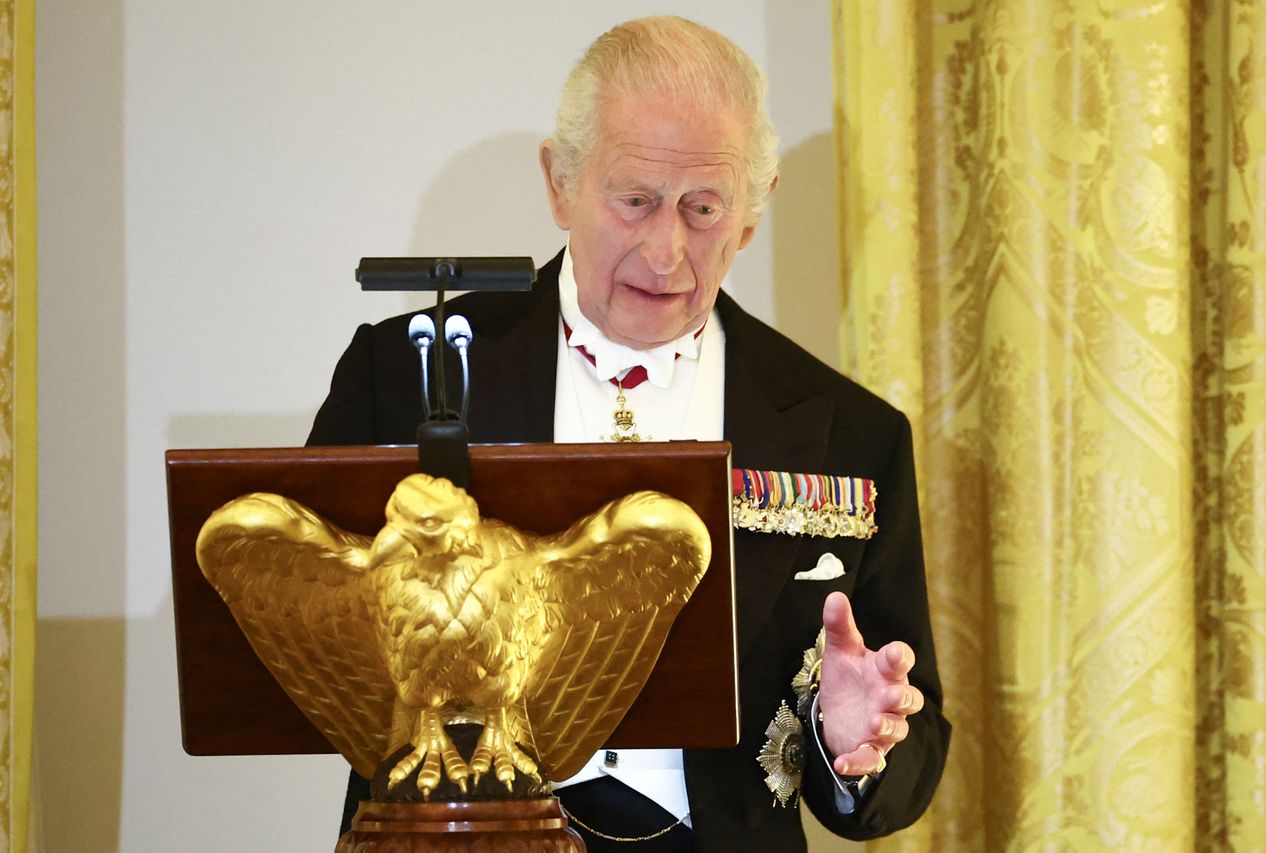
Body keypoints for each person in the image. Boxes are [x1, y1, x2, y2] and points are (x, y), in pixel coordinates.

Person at [309, 16, 949, 851]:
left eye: (703, 208)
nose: (665, 248)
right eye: (636, 201)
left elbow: (913, 742)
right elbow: (310, 649)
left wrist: (849, 741)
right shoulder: (400, 380)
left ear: (752, 214)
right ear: (560, 181)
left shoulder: (848, 434)